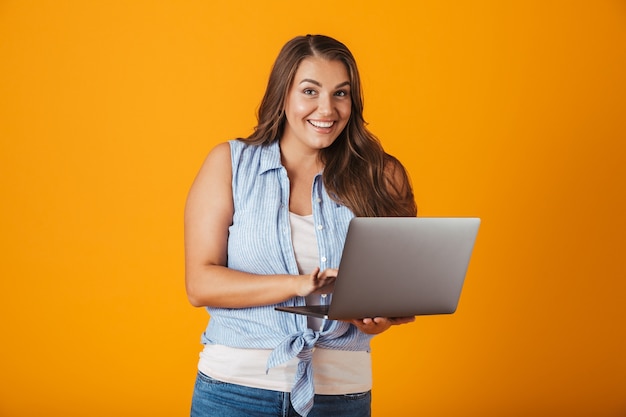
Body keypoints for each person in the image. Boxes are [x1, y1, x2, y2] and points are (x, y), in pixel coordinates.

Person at [184, 34, 417, 417]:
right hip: (235, 391)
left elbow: (392, 287)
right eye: (310, 91)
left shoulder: (383, 175)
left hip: (341, 393)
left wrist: (378, 318)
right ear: (284, 95)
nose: (327, 109)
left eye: (341, 94)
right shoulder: (230, 164)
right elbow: (200, 283)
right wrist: (299, 285)